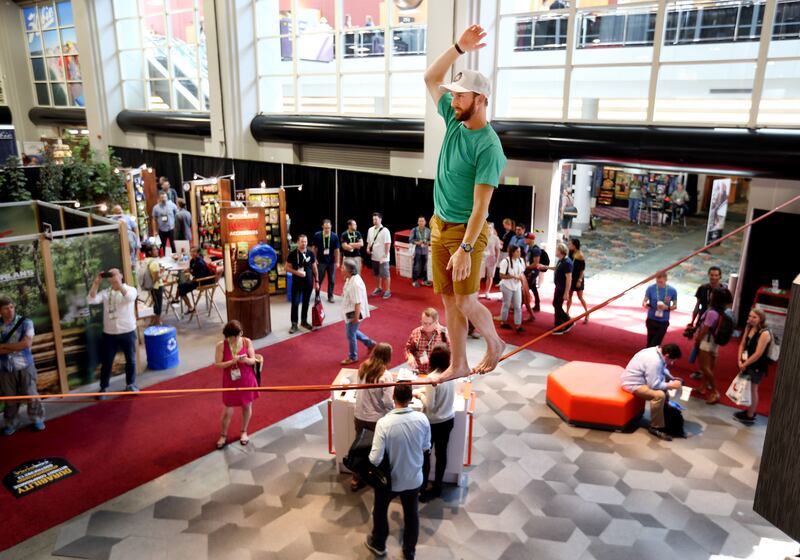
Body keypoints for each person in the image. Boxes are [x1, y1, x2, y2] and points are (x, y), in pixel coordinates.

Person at [424, 24, 508, 381]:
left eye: (462, 95)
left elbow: (481, 209)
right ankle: (458, 365)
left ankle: (494, 342)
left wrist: (467, 248)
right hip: (439, 226)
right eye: (454, 95)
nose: (453, 100)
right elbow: (430, 78)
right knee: (448, 302)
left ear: (482, 100)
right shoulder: (455, 121)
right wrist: (459, 46)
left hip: (466, 234)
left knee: (466, 301)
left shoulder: (488, 147)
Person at [366, 382, 430, 560]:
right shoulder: (422, 419)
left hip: (390, 480)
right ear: (411, 398)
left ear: (393, 397)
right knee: (412, 514)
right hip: (414, 478)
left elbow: (375, 459)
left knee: (379, 510)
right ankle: (409, 551)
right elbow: (426, 446)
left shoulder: (384, 423)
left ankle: (379, 544)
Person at [87, 268, 139, 398]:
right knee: (107, 362)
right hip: (109, 334)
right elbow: (91, 300)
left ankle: (130, 384)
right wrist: (96, 283)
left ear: (121, 275)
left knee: (131, 360)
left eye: (115, 273)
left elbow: (129, 298)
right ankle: (104, 388)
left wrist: (119, 284)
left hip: (127, 331)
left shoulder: (130, 289)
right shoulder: (106, 293)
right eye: (110, 275)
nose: (113, 276)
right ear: (108, 279)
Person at [0, 297, 45, 434]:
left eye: (12, 307)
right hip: (4, 369)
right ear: (0, 311)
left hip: (25, 366)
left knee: (31, 395)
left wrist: (4, 347)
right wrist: (15, 347)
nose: (10, 310)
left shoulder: (26, 322)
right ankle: (11, 423)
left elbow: (26, 344)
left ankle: (37, 418)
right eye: (6, 308)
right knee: (10, 398)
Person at [353, 343, 394, 491]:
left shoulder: (363, 367)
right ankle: (377, 478)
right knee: (377, 450)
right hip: (376, 419)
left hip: (359, 415)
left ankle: (356, 478)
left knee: (359, 448)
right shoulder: (385, 375)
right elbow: (388, 402)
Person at [620, 343, 683, 441]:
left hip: (639, 379)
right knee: (660, 395)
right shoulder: (654, 361)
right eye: (672, 360)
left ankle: (663, 417)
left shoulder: (657, 351)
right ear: (667, 355)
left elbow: (662, 368)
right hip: (633, 384)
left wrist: (672, 378)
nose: (671, 363)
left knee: (664, 390)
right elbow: (654, 385)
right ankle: (656, 427)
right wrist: (671, 385)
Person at [213, 320, 259, 449]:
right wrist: (230, 362)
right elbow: (217, 364)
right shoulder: (221, 345)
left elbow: (253, 360)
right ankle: (223, 435)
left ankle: (243, 431)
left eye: (236, 336)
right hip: (230, 380)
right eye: (230, 337)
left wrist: (245, 360)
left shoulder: (246, 341)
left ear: (241, 333)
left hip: (246, 379)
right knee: (227, 410)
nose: (233, 339)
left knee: (246, 406)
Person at [418, 344, 456, 503]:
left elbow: (430, 405)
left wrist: (419, 394)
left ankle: (423, 486)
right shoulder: (451, 375)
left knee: (425, 455)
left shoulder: (432, 379)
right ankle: (438, 486)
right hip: (448, 420)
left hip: (432, 423)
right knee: (442, 455)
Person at [734, 308, 772, 425]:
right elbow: (743, 344)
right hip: (747, 362)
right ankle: (748, 411)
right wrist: (739, 360)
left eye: (754, 317)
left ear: (761, 319)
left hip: (757, 365)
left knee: (754, 389)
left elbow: (758, 354)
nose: (751, 319)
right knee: (747, 387)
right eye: (750, 316)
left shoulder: (764, 333)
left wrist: (744, 364)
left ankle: (750, 415)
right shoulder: (749, 327)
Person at [694, 287, 728, 405]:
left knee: (704, 367)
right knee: (709, 367)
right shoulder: (722, 311)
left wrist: (697, 339)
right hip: (715, 341)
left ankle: (715, 391)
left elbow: (705, 328)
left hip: (707, 341)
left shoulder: (712, 312)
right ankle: (703, 387)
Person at [341, 259, 375, 365]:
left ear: (349, 271)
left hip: (355, 312)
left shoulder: (355, 284)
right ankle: (370, 343)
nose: (341, 269)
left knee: (350, 334)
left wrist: (356, 318)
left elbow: (357, 303)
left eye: (343, 268)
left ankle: (353, 356)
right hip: (351, 311)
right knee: (352, 332)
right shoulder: (350, 278)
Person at [285, 234, 319, 334]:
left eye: (305, 242)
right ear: (297, 242)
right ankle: (294, 324)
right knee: (295, 303)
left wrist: (317, 281)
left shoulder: (310, 253)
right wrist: (297, 272)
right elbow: (286, 268)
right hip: (296, 283)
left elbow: (314, 268)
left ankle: (304, 321)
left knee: (306, 302)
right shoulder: (292, 254)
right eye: (302, 242)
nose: (304, 243)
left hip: (308, 283)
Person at [405, 308, 449, 375]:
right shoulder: (416, 332)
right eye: (423, 323)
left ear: (436, 322)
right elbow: (408, 349)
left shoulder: (444, 334)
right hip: (420, 373)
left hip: (438, 374)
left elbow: (453, 354)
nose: (425, 326)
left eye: (429, 324)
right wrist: (410, 357)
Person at [642, 271, 677, 348]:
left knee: (655, 343)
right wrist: (646, 305)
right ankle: (647, 358)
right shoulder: (650, 288)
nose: (659, 284)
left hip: (663, 321)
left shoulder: (672, 290)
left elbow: (675, 306)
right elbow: (644, 301)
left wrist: (667, 308)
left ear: (666, 280)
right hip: (651, 319)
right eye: (657, 281)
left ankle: (651, 357)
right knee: (650, 342)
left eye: (661, 282)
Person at [689, 266, 729, 331]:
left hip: (716, 322)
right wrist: (692, 322)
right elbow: (697, 305)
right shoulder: (702, 288)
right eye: (712, 275)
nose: (714, 277)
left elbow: (727, 308)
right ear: (708, 275)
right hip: (702, 319)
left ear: (720, 276)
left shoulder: (724, 291)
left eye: (716, 275)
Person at [175, 246, 213, 312]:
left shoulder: (200, 262)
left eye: (194, 252)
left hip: (201, 281)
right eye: (191, 252)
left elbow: (201, 275)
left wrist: (191, 273)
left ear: (198, 253)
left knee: (181, 290)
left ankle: (190, 308)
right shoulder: (193, 260)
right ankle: (176, 300)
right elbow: (192, 269)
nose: (192, 253)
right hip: (196, 279)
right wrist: (189, 270)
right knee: (180, 285)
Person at [498, 245, 525, 333]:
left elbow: (521, 272)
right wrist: (513, 276)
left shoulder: (521, 260)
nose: (519, 253)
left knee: (518, 306)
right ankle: (503, 322)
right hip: (506, 286)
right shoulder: (505, 261)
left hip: (517, 286)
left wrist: (520, 279)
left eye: (520, 251)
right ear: (512, 252)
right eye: (517, 251)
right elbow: (501, 275)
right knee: (506, 304)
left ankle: (518, 325)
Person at [312, 219, 340, 303]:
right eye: (325, 228)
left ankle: (330, 296)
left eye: (328, 228)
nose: (327, 229)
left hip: (331, 262)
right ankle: (317, 295)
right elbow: (314, 248)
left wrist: (338, 261)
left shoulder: (334, 236)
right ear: (322, 227)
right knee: (319, 279)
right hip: (321, 261)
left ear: (331, 227)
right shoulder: (317, 235)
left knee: (332, 280)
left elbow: (337, 250)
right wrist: (314, 258)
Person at [548, 242, 573, 334]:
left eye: (556, 250)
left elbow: (569, 278)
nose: (555, 251)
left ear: (561, 251)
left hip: (562, 288)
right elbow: (557, 268)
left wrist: (566, 292)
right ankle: (567, 321)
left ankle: (559, 326)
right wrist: (545, 267)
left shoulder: (567, 263)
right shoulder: (561, 260)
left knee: (557, 305)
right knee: (556, 304)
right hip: (558, 287)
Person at [366, 213, 392, 299]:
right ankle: (378, 288)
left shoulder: (385, 231)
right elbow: (369, 242)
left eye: (376, 219)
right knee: (376, 274)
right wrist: (367, 248)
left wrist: (385, 256)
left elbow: (388, 244)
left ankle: (388, 290)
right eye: (373, 219)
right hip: (374, 256)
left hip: (383, 258)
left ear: (380, 219)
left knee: (385, 274)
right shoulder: (370, 229)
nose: (374, 221)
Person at [567, 238, 588, 323]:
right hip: (571, 277)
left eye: (570, 244)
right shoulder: (570, 253)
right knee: (569, 296)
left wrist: (579, 280)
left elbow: (582, 269)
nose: (569, 246)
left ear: (574, 245)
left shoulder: (580, 255)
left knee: (580, 297)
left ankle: (587, 313)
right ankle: (567, 313)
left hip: (578, 278)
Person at [409, 216, 432, 288]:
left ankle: (424, 280)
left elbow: (431, 240)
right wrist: (417, 242)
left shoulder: (428, 230)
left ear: (425, 222)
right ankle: (414, 281)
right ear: (417, 222)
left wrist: (427, 242)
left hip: (425, 251)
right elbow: (410, 240)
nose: (421, 222)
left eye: (422, 221)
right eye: (420, 221)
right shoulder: (414, 230)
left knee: (425, 266)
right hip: (417, 250)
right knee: (416, 266)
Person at [144, 244, 164, 326]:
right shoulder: (154, 263)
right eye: (155, 249)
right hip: (157, 286)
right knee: (158, 305)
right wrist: (162, 273)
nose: (157, 251)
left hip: (152, 286)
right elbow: (156, 277)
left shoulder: (146, 260)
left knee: (156, 303)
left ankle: (153, 321)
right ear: (150, 252)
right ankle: (158, 322)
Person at [481, 222, 501, 298]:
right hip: (482, 259)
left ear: (492, 229)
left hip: (491, 259)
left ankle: (487, 292)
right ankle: (476, 292)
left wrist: (497, 259)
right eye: (487, 227)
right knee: (479, 277)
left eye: (490, 228)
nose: (488, 229)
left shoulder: (495, 238)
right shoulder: (481, 236)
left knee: (490, 276)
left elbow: (497, 249)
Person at [524, 233, 542, 312]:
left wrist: (526, 267)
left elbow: (536, 263)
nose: (525, 240)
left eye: (526, 238)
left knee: (526, 288)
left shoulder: (535, 249)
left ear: (531, 240)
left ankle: (522, 304)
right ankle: (537, 305)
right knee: (534, 288)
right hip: (530, 270)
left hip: (533, 271)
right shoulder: (530, 248)